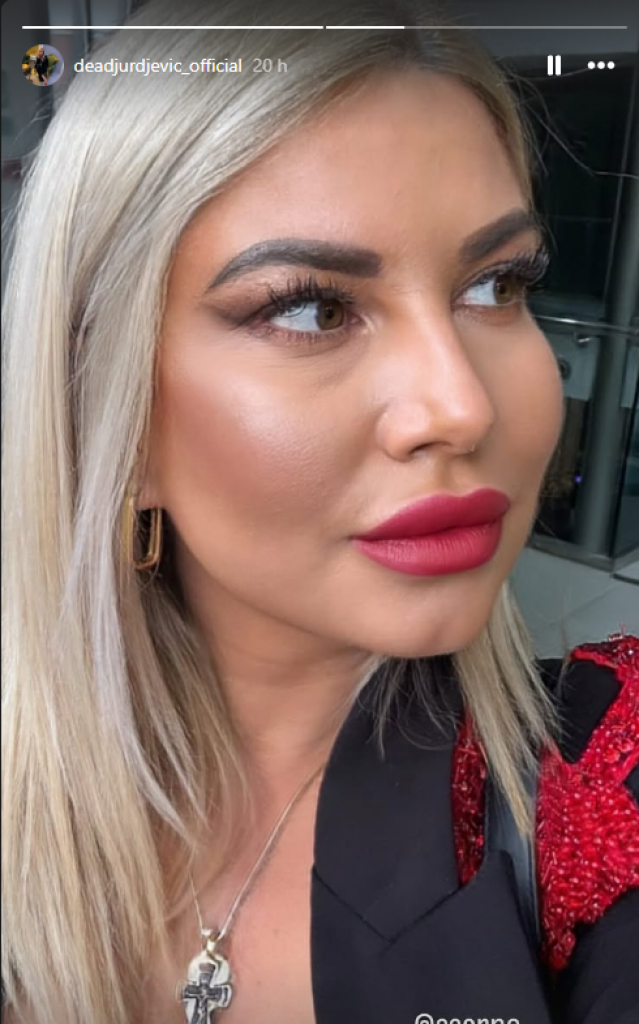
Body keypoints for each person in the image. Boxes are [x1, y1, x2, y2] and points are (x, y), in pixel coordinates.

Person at [2, 1, 637, 1022]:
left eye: (496, 285)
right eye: (312, 307)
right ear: (103, 405)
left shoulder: (604, 782)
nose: (462, 407)